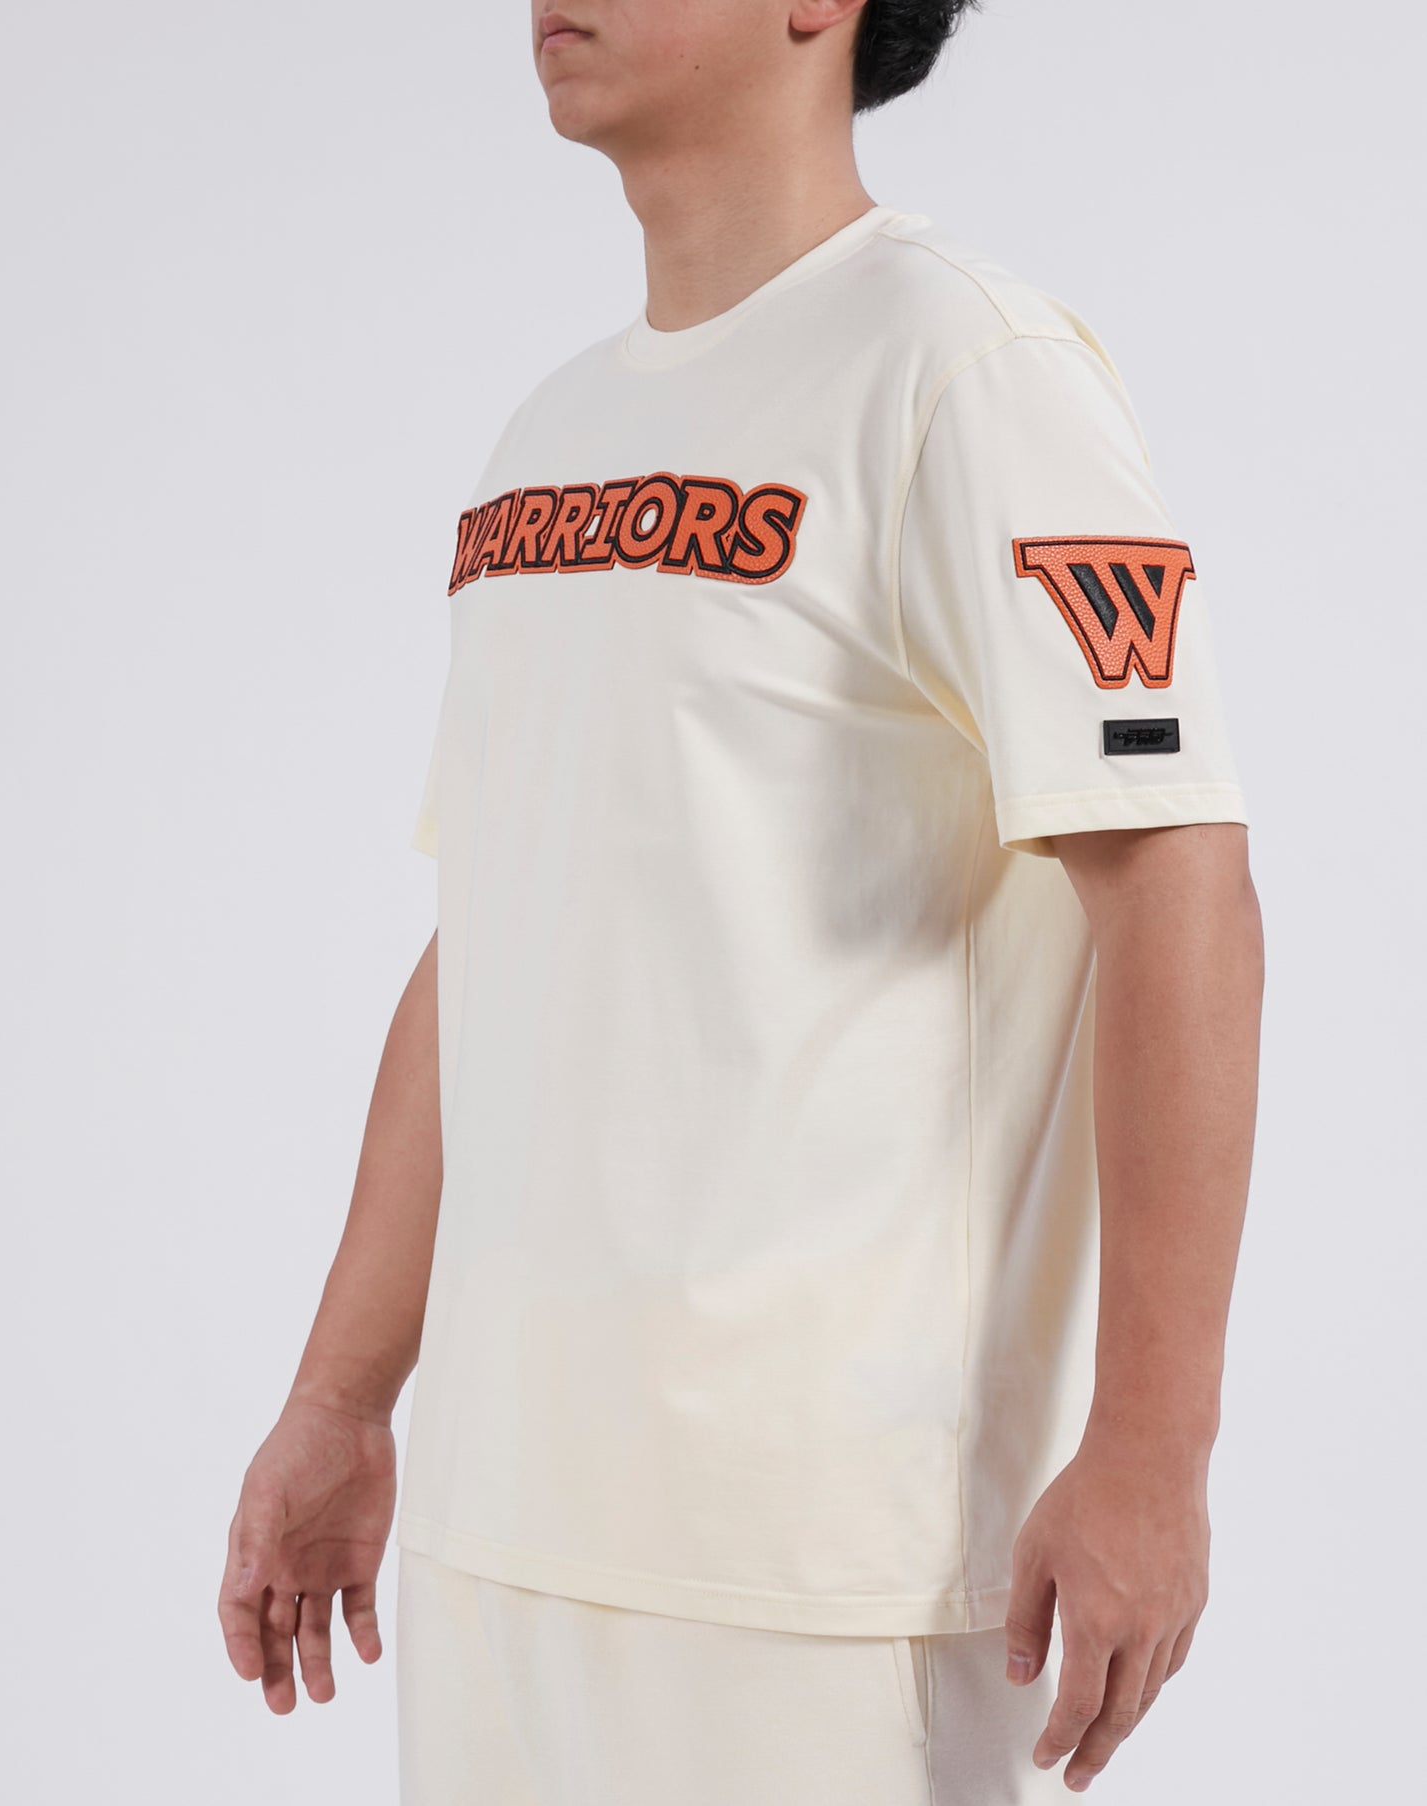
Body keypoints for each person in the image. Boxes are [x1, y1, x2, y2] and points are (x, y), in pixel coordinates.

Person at [218, 2, 1266, 1800]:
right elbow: (489, 945)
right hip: (499, 1534)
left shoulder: (963, 369)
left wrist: (1153, 1448)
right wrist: (338, 1396)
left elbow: (1178, 885)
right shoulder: (544, 441)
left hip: (813, 1565)